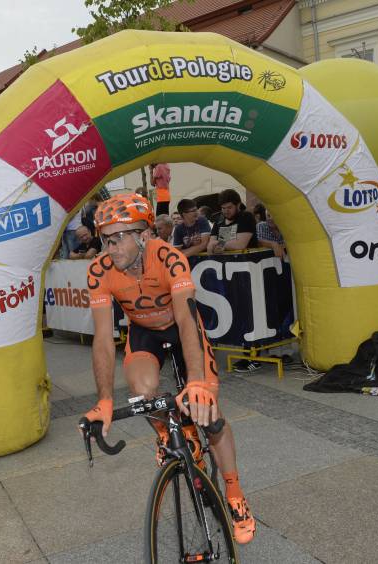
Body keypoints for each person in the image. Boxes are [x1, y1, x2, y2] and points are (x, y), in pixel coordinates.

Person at [84, 194, 256, 544]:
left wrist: (196, 383)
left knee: (209, 413)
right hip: (143, 332)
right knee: (143, 393)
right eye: (105, 239)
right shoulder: (99, 270)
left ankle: (235, 495)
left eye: (118, 238)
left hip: (182, 327)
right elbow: (102, 339)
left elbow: (186, 317)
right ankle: (169, 435)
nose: (110, 248)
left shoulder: (169, 257)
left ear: (144, 235)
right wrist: (103, 399)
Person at [207, 189, 257, 254]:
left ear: (238, 205)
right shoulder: (218, 220)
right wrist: (215, 246)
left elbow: (240, 245)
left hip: (246, 261)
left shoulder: (246, 217)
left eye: (229, 207)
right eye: (223, 208)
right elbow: (211, 243)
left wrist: (218, 244)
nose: (226, 211)